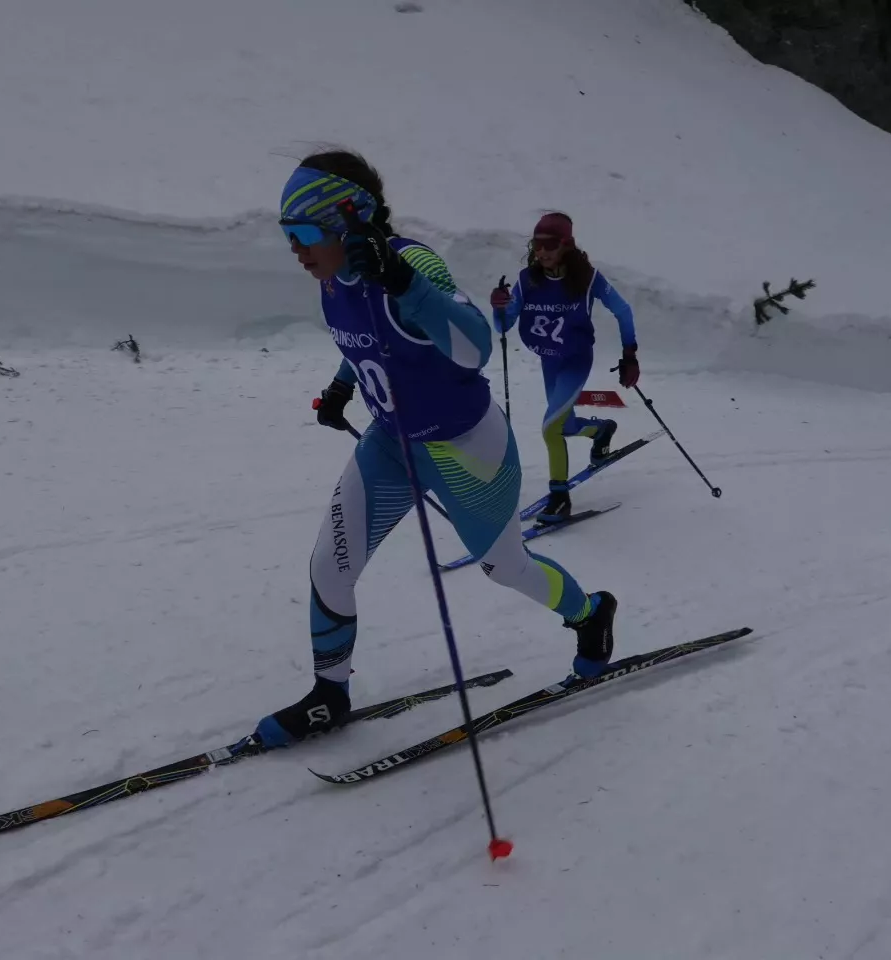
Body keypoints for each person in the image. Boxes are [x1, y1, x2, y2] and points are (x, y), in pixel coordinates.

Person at [254, 151, 618, 747]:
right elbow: (363, 336)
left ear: (345, 224)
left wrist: (404, 285)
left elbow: (473, 346)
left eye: (303, 231)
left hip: (465, 448)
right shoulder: (334, 279)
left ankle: (590, 612)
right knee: (329, 566)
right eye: (285, 233)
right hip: (392, 444)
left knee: (505, 567)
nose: (294, 246)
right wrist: (343, 386)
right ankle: (330, 693)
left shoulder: (412, 264)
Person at [489, 213, 640, 524]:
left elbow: (623, 310)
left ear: (566, 245)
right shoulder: (526, 280)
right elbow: (504, 326)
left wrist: (630, 354)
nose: (541, 252)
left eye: (550, 245)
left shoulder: (587, 279)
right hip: (549, 361)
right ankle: (601, 430)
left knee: (549, 428)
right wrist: (499, 306)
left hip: (575, 361)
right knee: (564, 426)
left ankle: (559, 497)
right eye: (537, 245)